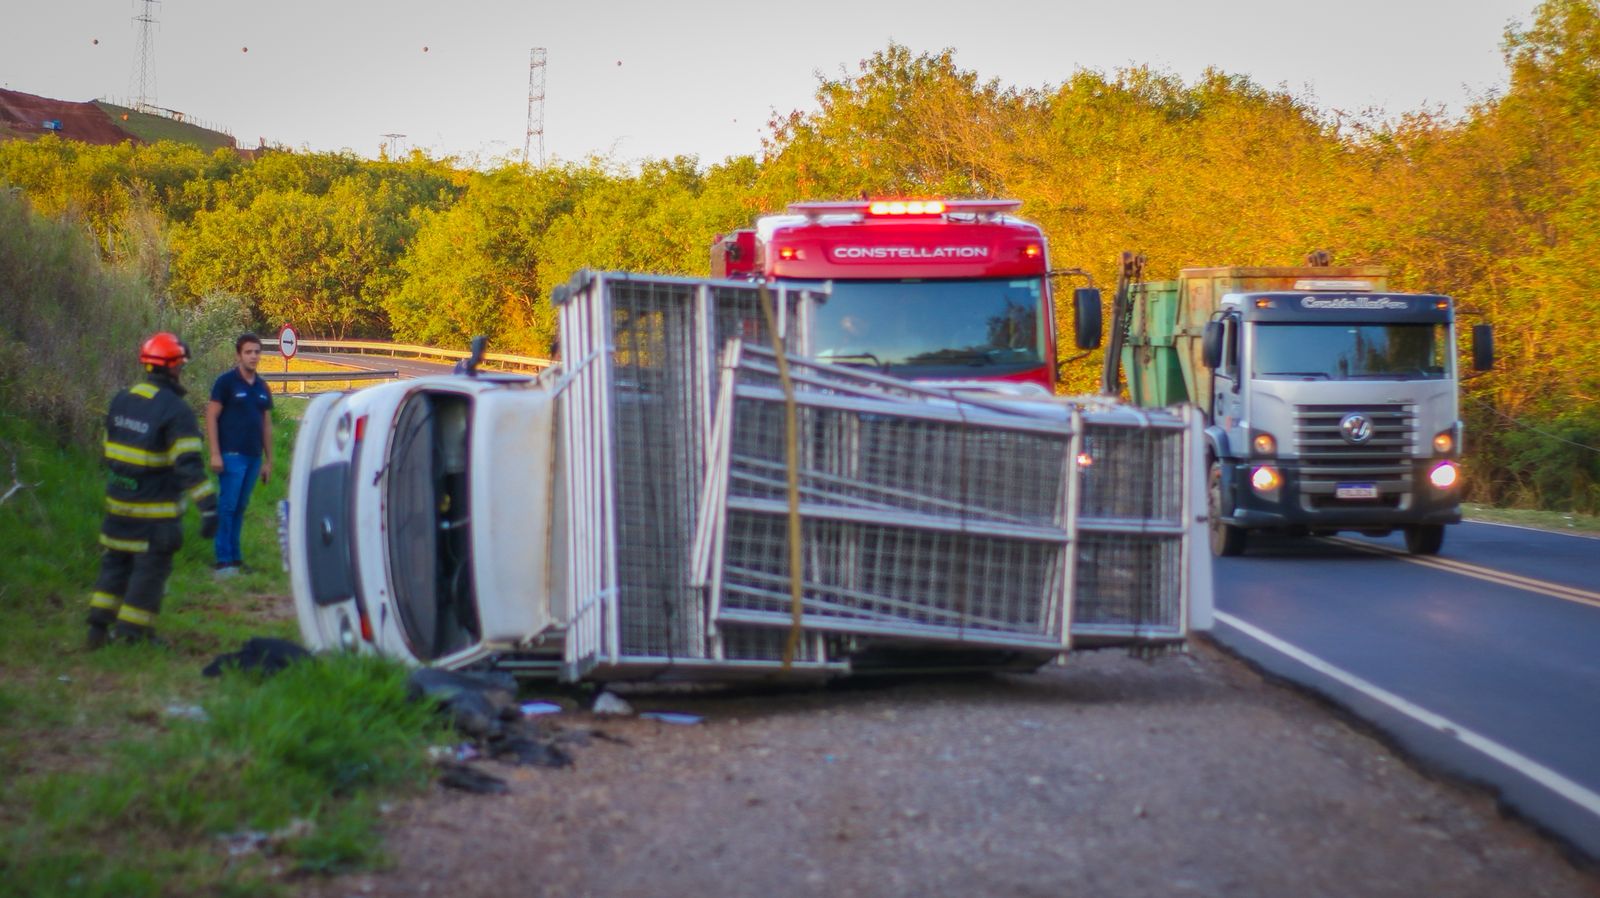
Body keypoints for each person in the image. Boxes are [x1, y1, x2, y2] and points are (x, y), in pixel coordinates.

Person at [87, 332, 218, 649]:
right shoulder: (176, 411)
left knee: (114, 568)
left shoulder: (122, 400)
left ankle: (97, 630)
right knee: (148, 576)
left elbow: (109, 452)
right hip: (155, 516)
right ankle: (132, 636)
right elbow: (189, 466)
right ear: (174, 367)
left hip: (118, 507)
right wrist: (209, 507)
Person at [206, 332, 274, 576]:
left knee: (240, 507)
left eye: (257, 351)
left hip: (254, 457)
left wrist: (268, 460)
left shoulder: (262, 387)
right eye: (248, 352)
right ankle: (223, 560)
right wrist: (215, 453)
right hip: (231, 455)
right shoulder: (225, 383)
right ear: (239, 355)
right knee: (227, 506)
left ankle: (235, 558)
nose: (253, 356)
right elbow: (211, 415)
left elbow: (266, 424)